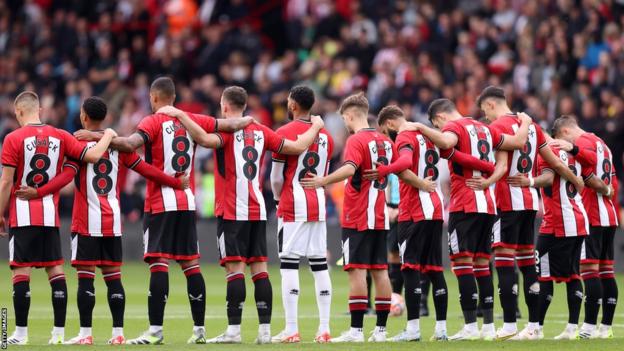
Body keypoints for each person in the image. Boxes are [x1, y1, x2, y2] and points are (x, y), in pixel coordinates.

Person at [74, 77, 253, 345]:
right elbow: (231, 124)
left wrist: (100, 135)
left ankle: (155, 331)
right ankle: (200, 330)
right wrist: (251, 122)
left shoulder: (152, 121)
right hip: (186, 201)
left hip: (160, 203)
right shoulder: (192, 119)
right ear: (174, 98)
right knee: (191, 265)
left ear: (154, 97)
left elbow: (129, 145)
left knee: (159, 263)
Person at [14, 97, 190, 345]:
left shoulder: (79, 145)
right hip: (113, 221)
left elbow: (66, 176)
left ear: (84, 117)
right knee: (114, 279)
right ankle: (118, 333)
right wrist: (175, 182)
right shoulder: (119, 147)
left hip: (86, 221)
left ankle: (85, 334)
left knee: (86, 278)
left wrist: (38, 193)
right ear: (105, 119)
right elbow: (147, 169)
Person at [157, 86, 324, 344]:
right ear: (244, 106)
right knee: (260, 270)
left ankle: (234, 331)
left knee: (235, 270)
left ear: (224, 106)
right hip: (257, 210)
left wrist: (180, 115)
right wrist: (315, 126)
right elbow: (297, 146)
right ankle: (265, 332)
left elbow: (203, 139)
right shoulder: (261, 131)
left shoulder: (225, 132)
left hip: (233, 211)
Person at [401, 98, 534, 340]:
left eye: (436, 125)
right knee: (483, 265)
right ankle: (488, 327)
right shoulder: (486, 129)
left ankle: (471, 327)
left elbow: (446, 141)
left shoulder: (455, 127)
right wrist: (525, 121)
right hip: (488, 204)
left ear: (440, 118)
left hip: (464, 204)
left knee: (462, 263)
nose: (439, 129)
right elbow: (518, 142)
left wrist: (420, 127)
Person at [366, 105, 496, 341]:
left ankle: (413, 330)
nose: (387, 137)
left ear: (389, 124)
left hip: (414, 209)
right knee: (436, 270)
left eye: (386, 132)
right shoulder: (429, 135)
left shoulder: (404, 136)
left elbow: (404, 162)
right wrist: (487, 167)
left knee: (410, 268)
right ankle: (441, 329)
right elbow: (456, 155)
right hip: (436, 207)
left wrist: (384, 169)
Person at [0, 91, 116, 345]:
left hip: (22, 214)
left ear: (19, 112)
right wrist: (108, 134)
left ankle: (19, 334)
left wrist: (0, 213)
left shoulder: (12, 138)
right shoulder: (61, 136)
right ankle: (59, 335)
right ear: (39, 110)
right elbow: (91, 157)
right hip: (49, 216)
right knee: (55, 271)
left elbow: (7, 181)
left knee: (20, 273)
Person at [476, 86, 584, 340]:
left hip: (507, 200)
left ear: (491, 105)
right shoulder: (533, 126)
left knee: (503, 262)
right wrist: (575, 180)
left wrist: (487, 181)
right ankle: (534, 326)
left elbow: (502, 166)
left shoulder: (498, 127)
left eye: (484, 111)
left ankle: (510, 323)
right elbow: (555, 162)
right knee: (527, 265)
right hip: (529, 202)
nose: (487, 117)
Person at [301, 93, 395, 343]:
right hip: (380, 215)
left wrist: (323, 180)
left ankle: (356, 331)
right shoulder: (384, 141)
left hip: (358, 216)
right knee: (380, 272)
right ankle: (382, 331)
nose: (344, 122)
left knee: (357, 272)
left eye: (344, 118)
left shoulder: (356, 140)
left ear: (350, 115)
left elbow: (350, 169)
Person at [507, 116, 611, 340]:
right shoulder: (574, 153)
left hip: (557, 222)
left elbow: (548, 177)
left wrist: (530, 182)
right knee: (573, 274)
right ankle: (572, 328)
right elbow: (592, 177)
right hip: (579, 219)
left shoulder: (548, 151)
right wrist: (607, 190)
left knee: (538, 270)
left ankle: (535, 327)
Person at [269, 86, 334, 343]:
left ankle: (292, 328)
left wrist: (277, 199)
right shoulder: (327, 135)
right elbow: (324, 175)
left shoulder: (283, 133)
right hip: (317, 202)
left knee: (289, 264)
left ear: (293, 105)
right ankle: (325, 328)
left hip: (292, 203)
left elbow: (276, 177)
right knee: (319, 265)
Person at [544, 115, 618, 339]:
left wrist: (572, 149)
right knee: (606, 272)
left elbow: (587, 172)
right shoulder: (602, 144)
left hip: (592, 215)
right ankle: (605, 328)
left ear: (564, 133)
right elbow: (612, 182)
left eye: (559, 141)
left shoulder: (582, 144)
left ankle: (587, 327)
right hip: (609, 215)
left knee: (589, 271)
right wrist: (606, 192)